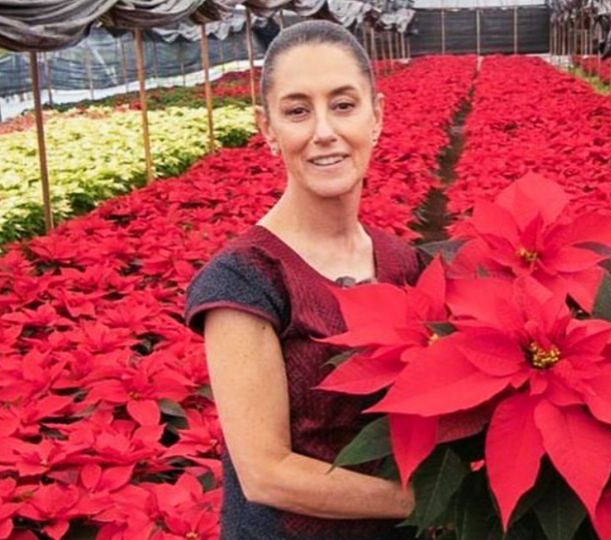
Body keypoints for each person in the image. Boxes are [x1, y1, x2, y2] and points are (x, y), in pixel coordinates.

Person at [183, 20, 420, 540]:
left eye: (343, 105)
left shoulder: (403, 262)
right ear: (267, 128)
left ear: (376, 115)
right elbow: (268, 475)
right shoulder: (246, 280)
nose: (324, 132)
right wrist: (434, 500)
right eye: (297, 111)